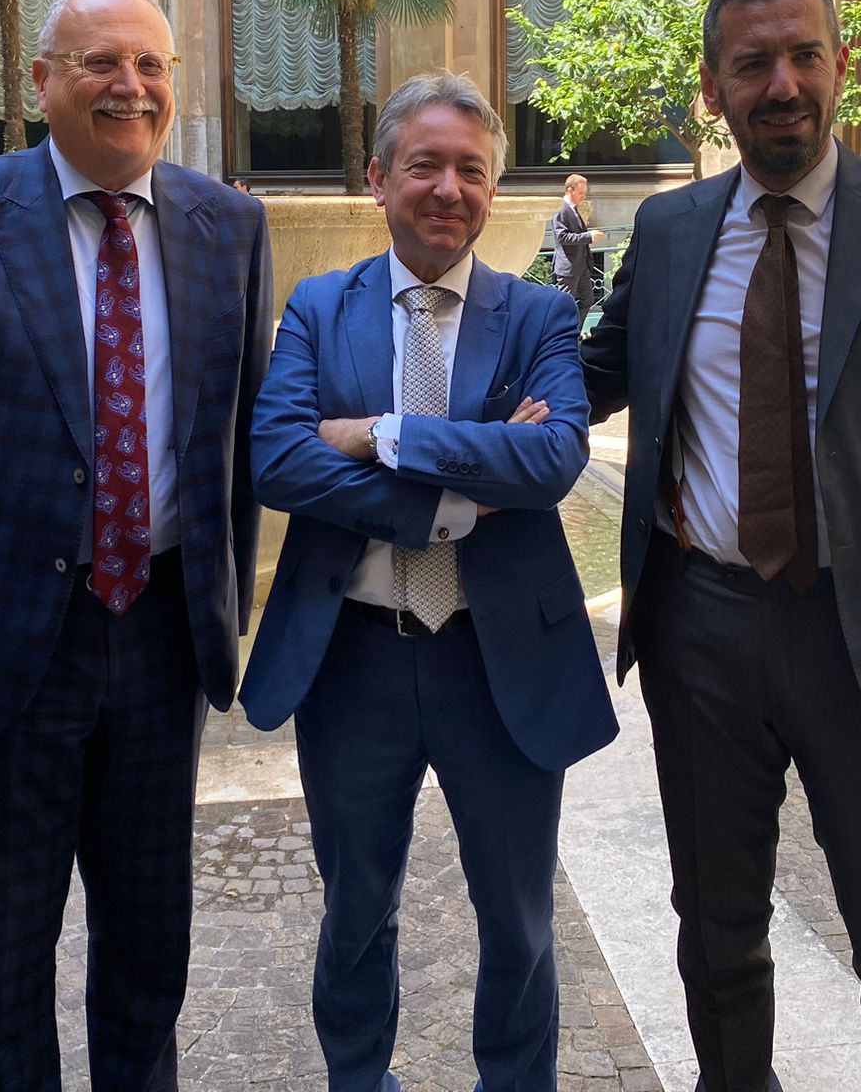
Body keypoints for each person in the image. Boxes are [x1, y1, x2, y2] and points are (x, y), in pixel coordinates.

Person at [581, 0, 861, 1092]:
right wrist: (436, 387)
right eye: (752, 64)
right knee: (715, 924)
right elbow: (592, 371)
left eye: (802, 56)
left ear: (839, 66)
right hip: (701, 631)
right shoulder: (671, 228)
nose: (781, 84)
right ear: (712, 90)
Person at [0, 0, 273, 1092]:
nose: (129, 86)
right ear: (41, 80)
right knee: (3, 966)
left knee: (148, 950)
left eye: (150, 64)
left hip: (161, 639)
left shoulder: (228, 227)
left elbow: (238, 442)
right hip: (4, 647)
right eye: (100, 62)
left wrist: (227, 615)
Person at [241, 72, 616, 1092]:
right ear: (378, 178)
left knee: (519, 919)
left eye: (471, 170)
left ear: (492, 188)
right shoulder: (320, 307)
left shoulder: (538, 315)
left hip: (501, 666)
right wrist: (458, 493)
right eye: (425, 166)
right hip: (353, 663)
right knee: (355, 910)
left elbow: (552, 461)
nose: (449, 188)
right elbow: (276, 460)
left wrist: (378, 433)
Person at [552, 171, 605, 320]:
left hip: (581, 266)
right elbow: (562, 237)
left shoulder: (573, 208)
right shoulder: (560, 209)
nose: (584, 197)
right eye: (581, 193)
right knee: (564, 306)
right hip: (568, 267)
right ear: (570, 190)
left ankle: (575, 329)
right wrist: (589, 236)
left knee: (588, 300)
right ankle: (563, 331)